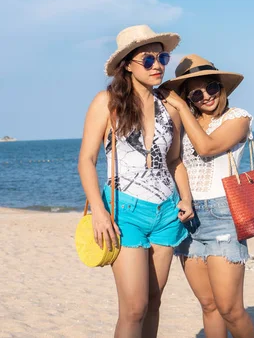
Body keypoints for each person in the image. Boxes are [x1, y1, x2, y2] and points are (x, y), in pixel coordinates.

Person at [78, 25, 194, 338]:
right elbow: (86, 161)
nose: (157, 65)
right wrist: (100, 213)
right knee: (133, 308)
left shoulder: (169, 106)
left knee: (154, 303)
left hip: (167, 214)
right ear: (127, 64)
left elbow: (174, 160)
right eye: (148, 59)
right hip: (124, 213)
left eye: (162, 57)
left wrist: (186, 198)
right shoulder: (106, 102)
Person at [159, 54, 254, 338]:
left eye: (212, 87)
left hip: (223, 215)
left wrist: (179, 105)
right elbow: (172, 160)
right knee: (209, 305)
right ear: (190, 98)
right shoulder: (184, 122)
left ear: (222, 88)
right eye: (196, 93)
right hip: (187, 215)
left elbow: (207, 147)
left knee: (230, 309)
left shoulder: (238, 117)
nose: (206, 97)